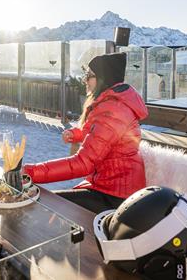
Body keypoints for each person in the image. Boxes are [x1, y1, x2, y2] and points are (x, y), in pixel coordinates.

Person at [23, 52, 149, 213]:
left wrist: (30, 172)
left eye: (89, 75)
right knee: (45, 204)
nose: (85, 80)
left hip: (116, 198)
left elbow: (83, 163)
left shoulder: (113, 109)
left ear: (104, 78)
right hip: (108, 185)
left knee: (44, 206)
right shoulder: (111, 103)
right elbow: (101, 134)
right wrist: (77, 134)